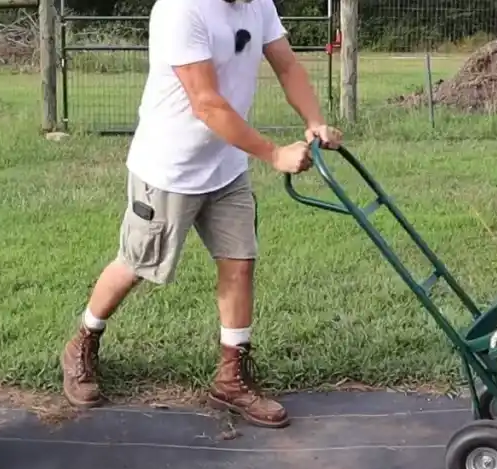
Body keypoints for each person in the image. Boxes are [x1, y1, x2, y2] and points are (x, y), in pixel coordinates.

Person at [60, 0, 342, 429]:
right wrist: (272, 153)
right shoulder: (180, 10)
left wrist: (314, 120)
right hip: (169, 170)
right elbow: (206, 103)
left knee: (240, 264)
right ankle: (83, 340)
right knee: (136, 264)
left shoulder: (257, 3)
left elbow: (286, 64)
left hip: (226, 166)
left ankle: (231, 377)